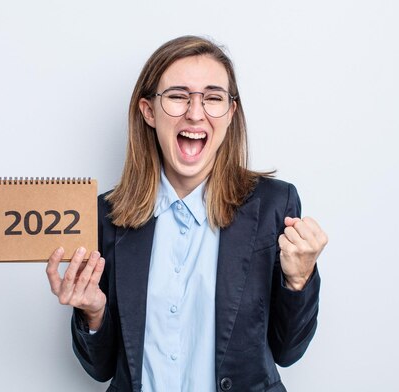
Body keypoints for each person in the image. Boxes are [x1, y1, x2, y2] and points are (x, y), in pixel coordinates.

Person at [46, 35, 328, 392]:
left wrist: (298, 280)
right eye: (178, 96)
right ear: (148, 111)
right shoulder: (105, 216)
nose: (196, 113)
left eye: (213, 98)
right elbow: (101, 369)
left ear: (230, 114)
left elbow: (288, 350)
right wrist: (93, 313)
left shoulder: (275, 204)